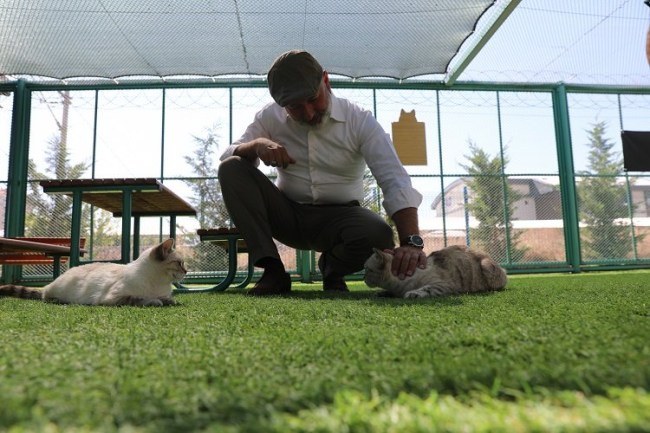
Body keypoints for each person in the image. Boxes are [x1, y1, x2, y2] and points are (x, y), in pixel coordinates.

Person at [218, 50, 426, 296]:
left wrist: (411, 242)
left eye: (313, 99)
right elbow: (228, 155)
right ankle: (272, 270)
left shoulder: (359, 120)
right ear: (281, 104)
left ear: (326, 81)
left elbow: (394, 178)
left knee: (378, 234)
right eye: (295, 107)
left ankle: (332, 268)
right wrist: (256, 145)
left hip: (343, 220)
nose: (308, 113)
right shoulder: (269, 116)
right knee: (231, 167)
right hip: (288, 215)